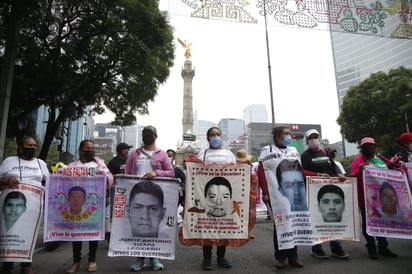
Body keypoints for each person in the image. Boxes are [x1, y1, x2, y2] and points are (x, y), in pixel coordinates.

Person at [125, 125, 174, 272]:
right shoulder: (134, 153)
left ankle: (155, 258)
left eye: (150, 133)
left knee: (152, 227)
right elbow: (127, 171)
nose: (147, 135)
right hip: (137, 193)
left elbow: (171, 172)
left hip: (155, 194)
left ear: (155, 136)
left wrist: (156, 173)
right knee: (139, 227)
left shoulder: (162, 154)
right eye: (145, 133)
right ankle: (139, 259)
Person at [0, 136, 49, 274]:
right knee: (11, 232)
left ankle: (26, 264)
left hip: (32, 206)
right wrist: (5, 181)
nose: (32, 148)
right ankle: (7, 264)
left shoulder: (41, 163)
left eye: (34, 146)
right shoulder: (9, 161)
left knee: (28, 233)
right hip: (10, 204)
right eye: (29, 146)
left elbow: (50, 182)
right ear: (21, 148)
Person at [258, 126, 305, 269]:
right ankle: (280, 257)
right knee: (281, 224)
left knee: (294, 223)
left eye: (289, 134)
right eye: (286, 134)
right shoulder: (268, 151)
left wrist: (318, 176)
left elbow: (301, 171)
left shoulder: (294, 151)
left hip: (295, 193)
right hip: (277, 194)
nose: (289, 136)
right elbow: (261, 171)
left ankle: (293, 256)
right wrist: (265, 192)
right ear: (277, 136)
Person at [65, 140, 113, 274]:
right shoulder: (73, 165)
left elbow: (109, 179)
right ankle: (76, 261)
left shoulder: (99, 164)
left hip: (94, 204)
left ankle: (92, 260)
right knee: (77, 234)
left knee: (93, 233)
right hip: (77, 205)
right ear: (81, 150)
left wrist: (103, 173)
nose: (91, 150)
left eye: (93, 148)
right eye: (87, 148)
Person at [301, 128, 348, 259]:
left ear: (319, 138)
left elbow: (334, 166)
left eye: (315, 137)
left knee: (333, 220)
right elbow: (303, 172)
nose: (313, 140)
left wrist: (339, 174)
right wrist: (318, 175)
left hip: (331, 190)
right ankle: (316, 247)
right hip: (315, 192)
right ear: (307, 141)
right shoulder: (305, 156)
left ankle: (336, 247)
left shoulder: (325, 152)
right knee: (317, 220)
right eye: (310, 138)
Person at [350, 137, 397, 260]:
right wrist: (359, 171)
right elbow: (352, 177)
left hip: (382, 199)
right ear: (362, 148)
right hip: (366, 199)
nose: (369, 148)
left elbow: (392, 168)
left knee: (381, 223)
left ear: (375, 146)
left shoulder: (380, 158)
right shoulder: (358, 160)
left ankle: (383, 247)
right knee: (369, 225)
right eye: (366, 146)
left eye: (371, 145)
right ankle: (371, 248)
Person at [196, 127, 235, 270]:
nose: (215, 137)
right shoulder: (203, 154)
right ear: (207, 138)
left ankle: (221, 257)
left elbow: (236, 172)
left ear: (222, 136)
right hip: (209, 197)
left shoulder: (229, 154)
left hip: (224, 198)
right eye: (212, 135)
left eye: (218, 134)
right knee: (207, 228)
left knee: (223, 228)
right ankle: (206, 259)